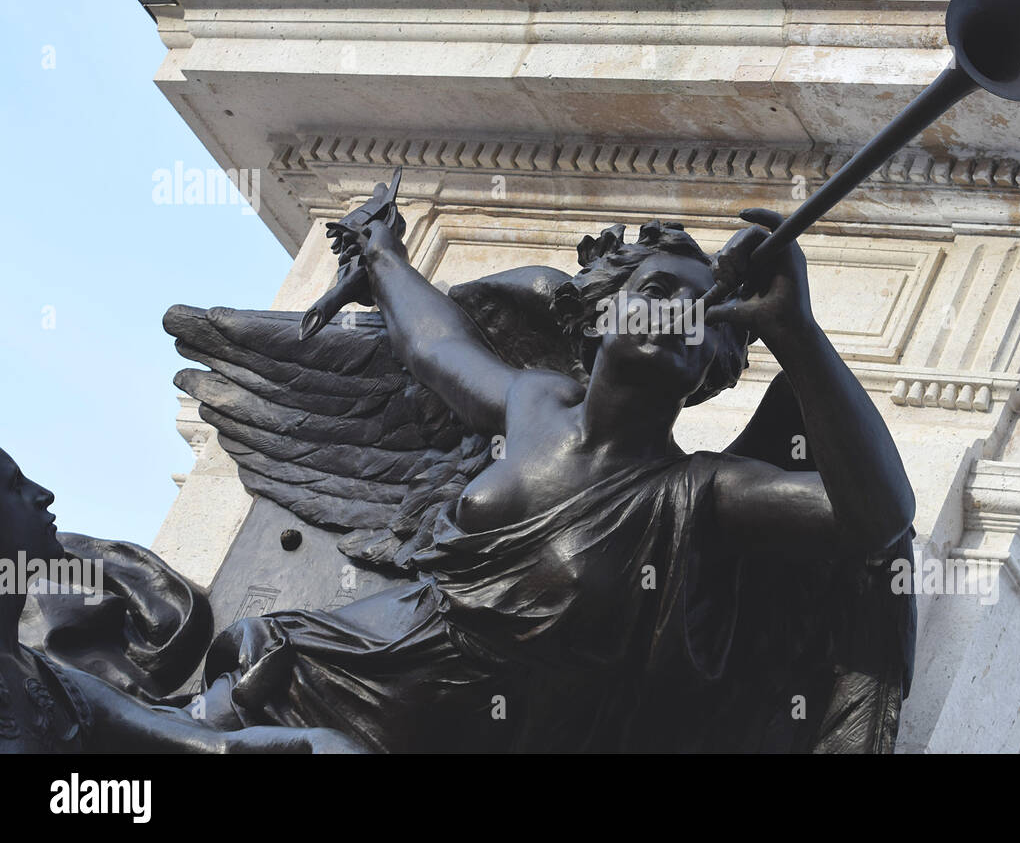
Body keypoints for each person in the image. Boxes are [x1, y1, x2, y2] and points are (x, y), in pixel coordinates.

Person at [188, 209, 918, 752]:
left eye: (704, 318)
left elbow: (877, 522)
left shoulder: (709, 496)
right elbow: (435, 343)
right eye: (658, 289)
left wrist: (798, 333)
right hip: (331, 660)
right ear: (604, 312)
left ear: (710, 369)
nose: (675, 316)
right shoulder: (535, 402)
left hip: (451, 730)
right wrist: (381, 253)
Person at [0, 447, 362, 753]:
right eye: (14, 485)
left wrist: (313, 741)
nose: (43, 493)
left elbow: (212, 745)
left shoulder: (55, 681)